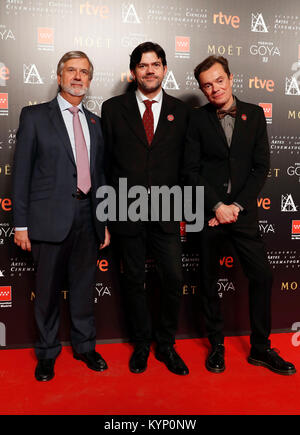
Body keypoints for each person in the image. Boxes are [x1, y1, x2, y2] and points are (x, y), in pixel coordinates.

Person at [184, 55, 296, 375]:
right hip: (208, 213)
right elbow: (190, 170)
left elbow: (261, 167)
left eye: (219, 80)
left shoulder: (255, 114)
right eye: (207, 85)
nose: (214, 88)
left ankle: (261, 348)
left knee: (263, 275)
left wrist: (235, 207)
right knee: (208, 281)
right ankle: (216, 345)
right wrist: (217, 206)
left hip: (242, 213)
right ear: (203, 90)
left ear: (231, 79)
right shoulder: (197, 120)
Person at [12, 51, 110, 381]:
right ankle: (47, 352)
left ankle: (85, 347)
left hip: (88, 218)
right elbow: (21, 173)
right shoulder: (35, 116)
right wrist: (21, 224)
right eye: (71, 70)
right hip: (48, 220)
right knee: (48, 291)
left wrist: (104, 220)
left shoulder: (95, 122)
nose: (78, 77)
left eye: (84, 72)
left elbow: (101, 176)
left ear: (90, 80)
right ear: (59, 76)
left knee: (84, 289)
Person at [101, 42, 189, 375]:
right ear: (134, 71)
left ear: (164, 69)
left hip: (168, 212)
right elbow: (105, 166)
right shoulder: (113, 109)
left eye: (155, 64)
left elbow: (187, 166)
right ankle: (141, 344)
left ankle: (165, 345)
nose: (149, 70)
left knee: (172, 278)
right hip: (126, 211)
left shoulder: (183, 112)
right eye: (142, 65)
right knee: (133, 280)